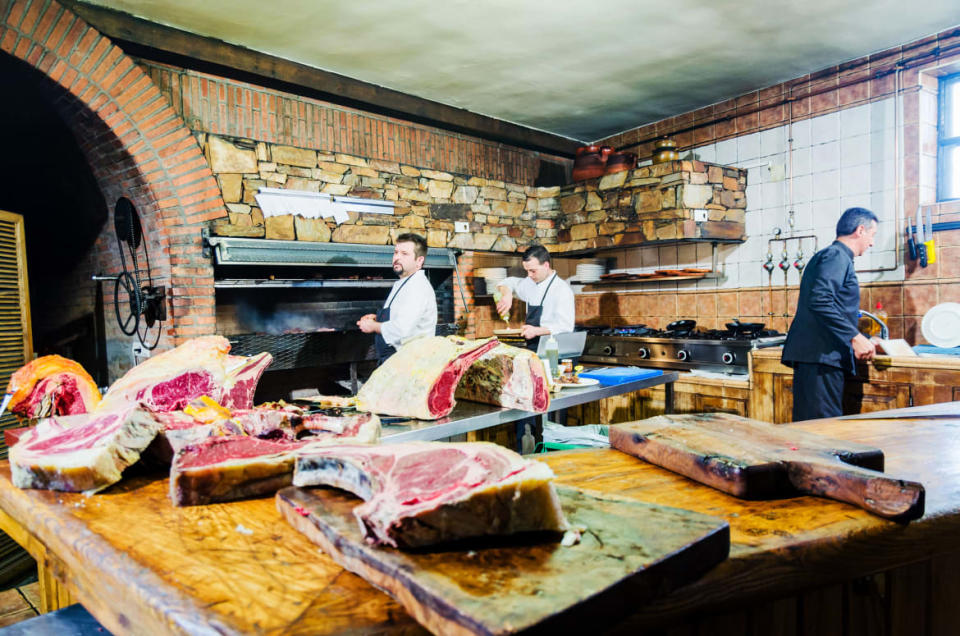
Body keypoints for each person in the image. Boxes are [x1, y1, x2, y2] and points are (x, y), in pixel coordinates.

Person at [781, 207, 879, 421]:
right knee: (820, 431)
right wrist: (855, 337)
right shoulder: (836, 256)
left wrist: (865, 338)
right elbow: (820, 301)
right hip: (820, 358)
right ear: (860, 230)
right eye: (872, 235)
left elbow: (832, 305)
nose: (872, 243)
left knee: (816, 428)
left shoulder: (834, 257)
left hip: (820, 357)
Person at [357, 233, 437, 364]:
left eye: (404, 254)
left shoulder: (418, 287)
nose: (397, 257)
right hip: (397, 360)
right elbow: (402, 316)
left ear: (419, 261)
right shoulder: (404, 283)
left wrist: (373, 326)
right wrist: (377, 319)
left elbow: (401, 330)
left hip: (410, 363)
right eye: (396, 252)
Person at [495, 244, 575, 352]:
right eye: (527, 271)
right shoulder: (530, 283)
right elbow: (507, 282)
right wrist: (507, 294)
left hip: (553, 350)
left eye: (533, 271)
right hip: (532, 348)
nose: (529, 275)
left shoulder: (562, 290)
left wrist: (536, 331)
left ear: (546, 265)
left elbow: (565, 326)